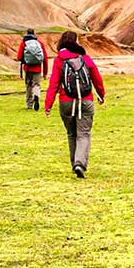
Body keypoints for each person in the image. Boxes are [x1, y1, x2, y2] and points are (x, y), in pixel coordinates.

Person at [43, 30, 104, 178]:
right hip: (86, 100)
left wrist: (48, 104)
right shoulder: (85, 58)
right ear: (76, 42)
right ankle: (79, 164)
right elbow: (97, 78)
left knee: (71, 134)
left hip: (66, 102)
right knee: (83, 134)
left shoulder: (59, 60)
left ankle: (74, 164)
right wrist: (101, 95)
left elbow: (54, 83)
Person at [15, 29, 48, 111]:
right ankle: (36, 95)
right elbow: (45, 59)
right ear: (34, 34)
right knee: (36, 84)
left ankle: (29, 104)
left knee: (29, 85)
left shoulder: (24, 44)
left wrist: (24, 61)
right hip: (38, 68)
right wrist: (45, 72)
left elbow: (19, 57)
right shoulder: (40, 44)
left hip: (28, 68)